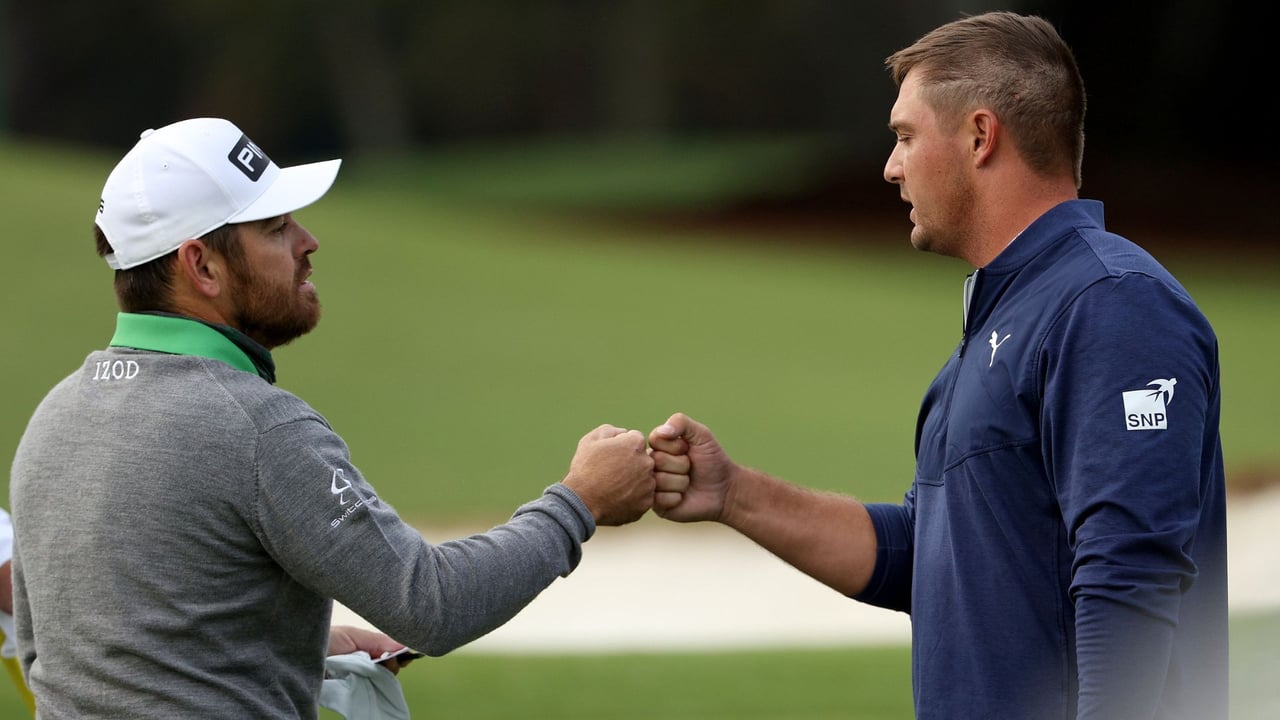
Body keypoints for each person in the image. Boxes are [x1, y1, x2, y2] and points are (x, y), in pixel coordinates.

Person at [648, 12, 1226, 720]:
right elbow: (928, 558)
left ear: (981, 137)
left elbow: (1128, 574)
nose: (891, 166)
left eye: (905, 136)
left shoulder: (1111, 304)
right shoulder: (1012, 316)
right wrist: (733, 494)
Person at [9, 117, 655, 719]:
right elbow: (432, 604)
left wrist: (301, 647)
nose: (308, 243)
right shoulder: (259, 429)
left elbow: (58, 657)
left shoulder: (56, 415)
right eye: (275, 227)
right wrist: (581, 502)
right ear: (200, 265)